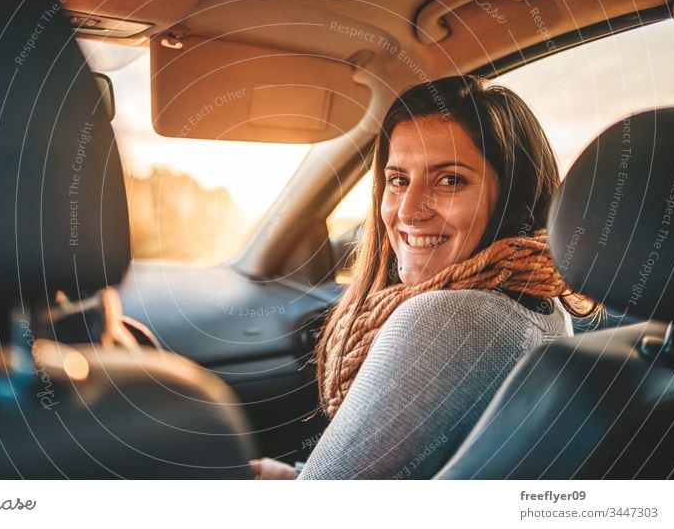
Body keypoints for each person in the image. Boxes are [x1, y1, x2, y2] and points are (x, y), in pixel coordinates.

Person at [250, 75, 594, 480]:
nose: (409, 211)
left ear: (512, 198)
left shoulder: (450, 319)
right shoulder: (540, 302)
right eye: (398, 180)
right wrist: (295, 477)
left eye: (450, 180)